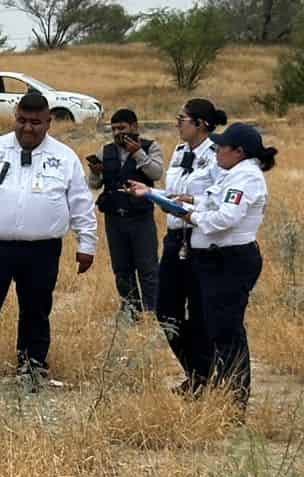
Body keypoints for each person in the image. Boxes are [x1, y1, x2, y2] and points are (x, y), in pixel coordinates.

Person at [0, 90, 96, 384]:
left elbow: (80, 202)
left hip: (42, 250)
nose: (28, 128)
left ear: (49, 122)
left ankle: (32, 366)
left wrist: (86, 242)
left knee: (36, 309)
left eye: (35, 122)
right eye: (22, 120)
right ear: (15, 118)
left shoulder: (64, 158)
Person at [129, 122, 276, 407]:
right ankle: (217, 388)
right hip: (214, 260)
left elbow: (223, 219)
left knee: (227, 332)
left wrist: (189, 217)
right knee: (216, 328)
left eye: (222, 146)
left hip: (230, 260)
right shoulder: (234, 174)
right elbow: (209, 201)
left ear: (239, 151)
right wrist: (157, 195)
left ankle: (235, 402)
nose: (217, 150)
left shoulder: (246, 178)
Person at [154, 98, 225, 390]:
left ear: (200, 124)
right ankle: (196, 370)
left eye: (181, 118)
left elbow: (218, 196)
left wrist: (191, 204)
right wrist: (154, 195)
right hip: (175, 238)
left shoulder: (218, 154)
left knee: (198, 312)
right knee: (165, 310)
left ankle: (203, 378)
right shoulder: (180, 151)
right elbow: (174, 190)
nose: (176, 123)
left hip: (201, 240)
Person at [86, 108, 164, 321]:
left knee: (147, 267)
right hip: (114, 218)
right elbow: (93, 185)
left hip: (140, 217)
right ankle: (131, 310)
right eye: (114, 129)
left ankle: (152, 312)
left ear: (134, 127)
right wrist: (95, 171)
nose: (118, 133)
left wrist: (138, 153)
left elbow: (156, 173)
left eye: (122, 128)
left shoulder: (150, 147)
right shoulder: (107, 150)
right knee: (121, 268)